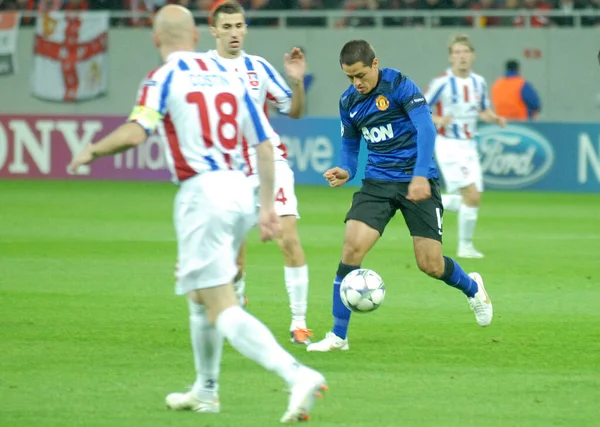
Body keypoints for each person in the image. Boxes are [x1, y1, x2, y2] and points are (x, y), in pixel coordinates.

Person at [68, 5, 326, 421]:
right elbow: (263, 142)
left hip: (203, 195)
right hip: (240, 188)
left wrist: (92, 150)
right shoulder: (232, 76)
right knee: (199, 295)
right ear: (196, 36)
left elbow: (137, 130)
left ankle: (296, 374)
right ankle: (205, 390)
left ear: (156, 40)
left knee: (221, 305)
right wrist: (263, 209)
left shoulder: (164, 76)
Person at [306, 40, 493, 353]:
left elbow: (426, 129)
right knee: (351, 249)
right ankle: (338, 336)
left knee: (430, 264)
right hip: (377, 183)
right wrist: (346, 170)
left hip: (417, 180)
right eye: (350, 77)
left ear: (375, 64)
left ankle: (473, 287)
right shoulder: (349, 101)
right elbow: (351, 146)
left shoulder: (400, 86)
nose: (357, 83)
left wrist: (420, 174)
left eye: (361, 75)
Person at [205, 0, 313, 345]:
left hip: (270, 162)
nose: (234, 33)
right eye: (227, 27)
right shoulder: (202, 69)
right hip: (229, 171)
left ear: (245, 29)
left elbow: (294, 112)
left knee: (289, 238)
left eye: (239, 26)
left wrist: (296, 83)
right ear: (214, 31)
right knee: (232, 259)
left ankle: (299, 322)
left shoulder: (259, 67)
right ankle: (237, 295)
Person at [424, 34, 507, 259]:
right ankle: (464, 246)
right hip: (448, 144)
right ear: (451, 57)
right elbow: (420, 107)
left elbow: (483, 110)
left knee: (474, 197)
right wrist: (439, 120)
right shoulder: (442, 82)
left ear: (473, 56)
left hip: (470, 145)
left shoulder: (478, 82)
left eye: (465, 52)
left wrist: (494, 118)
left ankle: (429, 200)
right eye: (457, 53)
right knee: (471, 195)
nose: (461, 57)